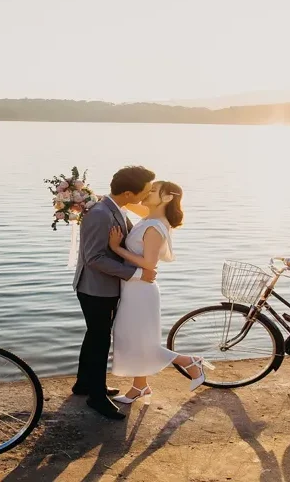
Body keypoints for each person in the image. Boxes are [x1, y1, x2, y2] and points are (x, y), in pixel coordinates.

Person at [108, 181, 211, 405]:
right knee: (136, 338)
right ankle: (140, 386)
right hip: (134, 288)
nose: (147, 192)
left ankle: (190, 362)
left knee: (141, 341)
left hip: (141, 291)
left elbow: (149, 264)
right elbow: (126, 204)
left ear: (166, 198)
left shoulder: (154, 227)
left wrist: (117, 249)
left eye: (153, 190)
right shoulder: (151, 217)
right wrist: (96, 197)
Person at [72, 165, 157, 420]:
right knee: (100, 340)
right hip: (95, 288)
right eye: (146, 189)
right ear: (130, 192)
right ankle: (96, 397)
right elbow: (95, 257)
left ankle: (84, 383)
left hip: (102, 287)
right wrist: (135, 274)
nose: (148, 192)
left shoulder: (113, 206)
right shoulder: (101, 213)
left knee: (95, 336)